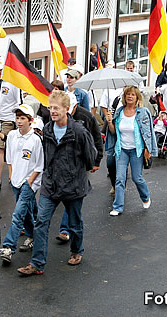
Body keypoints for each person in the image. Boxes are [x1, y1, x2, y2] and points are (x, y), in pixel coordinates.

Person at [17, 91, 96, 275]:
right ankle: (37, 263)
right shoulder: (47, 129)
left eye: (56, 108)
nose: (52, 111)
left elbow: (90, 157)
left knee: (74, 223)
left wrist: (76, 172)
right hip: (51, 184)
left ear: (66, 109)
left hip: (73, 185)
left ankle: (77, 250)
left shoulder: (79, 131)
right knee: (41, 223)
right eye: (50, 107)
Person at [0, 105, 43, 264]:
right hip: (15, 181)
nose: (19, 121)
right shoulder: (12, 135)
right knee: (26, 211)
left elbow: (39, 165)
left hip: (29, 183)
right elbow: (9, 158)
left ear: (30, 120)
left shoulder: (35, 139)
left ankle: (8, 247)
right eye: (17, 118)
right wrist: (11, 175)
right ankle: (33, 235)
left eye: (22, 118)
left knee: (18, 214)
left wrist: (29, 182)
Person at [56, 92, 103, 241]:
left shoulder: (87, 117)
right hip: (60, 164)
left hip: (80, 163)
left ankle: (65, 229)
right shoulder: (56, 117)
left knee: (73, 196)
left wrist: (97, 161)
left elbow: (97, 138)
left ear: (75, 106)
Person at [106, 86, 157, 216]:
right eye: (128, 94)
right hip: (121, 149)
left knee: (137, 178)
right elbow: (113, 132)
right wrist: (110, 123)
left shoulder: (143, 112)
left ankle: (145, 197)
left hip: (136, 150)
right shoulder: (119, 112)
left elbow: (148, 132)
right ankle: (117, 207)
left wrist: (148, 149)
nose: (130, 96)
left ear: (137, 97)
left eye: (133, 94)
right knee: (119, 179)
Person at [0, 56, 21, 192]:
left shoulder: (14, 81)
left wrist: (17, 121)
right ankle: (12, 166)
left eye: (0, 70)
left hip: (7, 119)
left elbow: (18, 102)